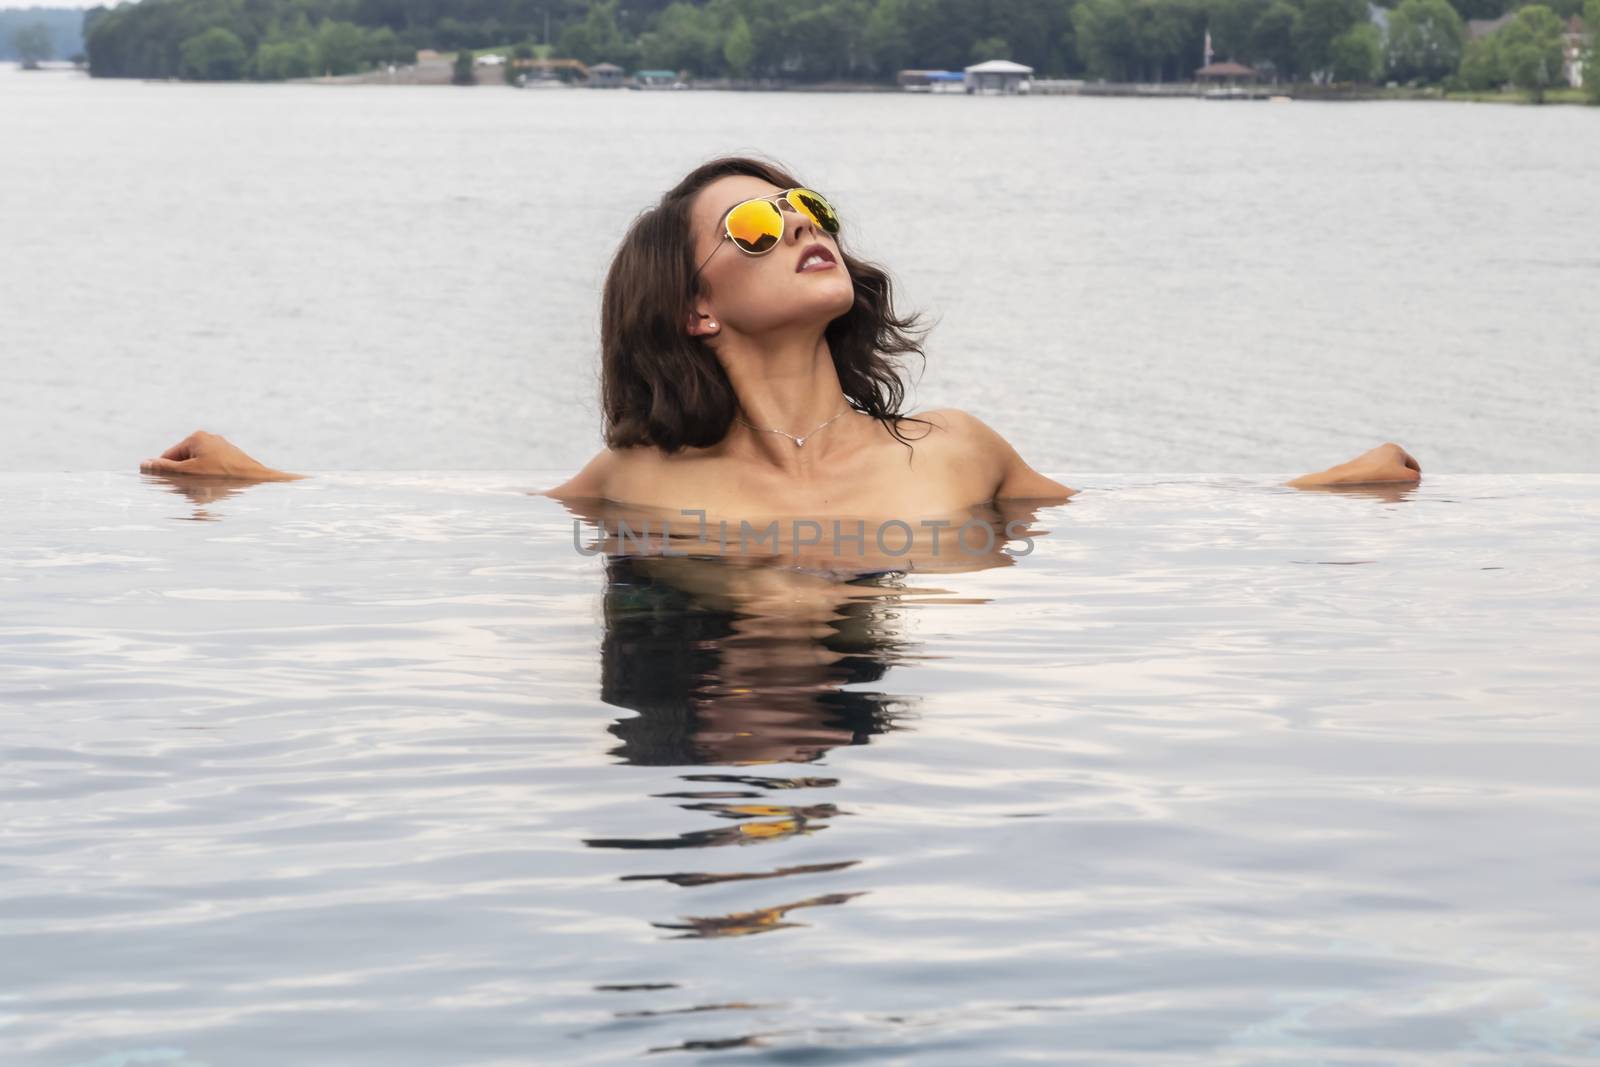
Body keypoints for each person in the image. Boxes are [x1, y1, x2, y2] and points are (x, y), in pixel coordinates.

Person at [139, 156, 1421, 518]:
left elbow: (1139, 513)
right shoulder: (641, 481)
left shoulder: (957, 451)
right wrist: (257, 480)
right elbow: (458, 508)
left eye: (809, 210)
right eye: (754, 221)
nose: (800, 224)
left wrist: (1329, 489)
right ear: (693, 304)